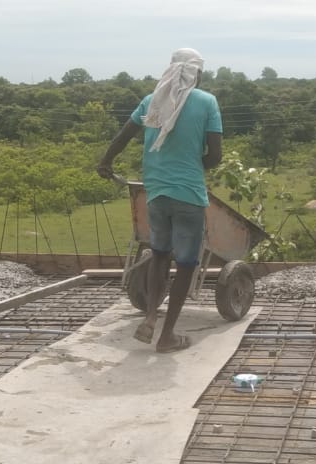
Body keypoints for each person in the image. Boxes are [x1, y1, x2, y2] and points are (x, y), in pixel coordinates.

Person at [97, 48, 223, 352]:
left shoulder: (151, 101)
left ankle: (152, 316)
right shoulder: (207, 102)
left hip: (155, 193)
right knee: (187, 264)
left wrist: (105, 162)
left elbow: (124, 135)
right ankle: (167, 336)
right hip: (189, 195)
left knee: (160, 255)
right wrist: (192, 167)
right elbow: (215, 156)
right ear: (197, 73)